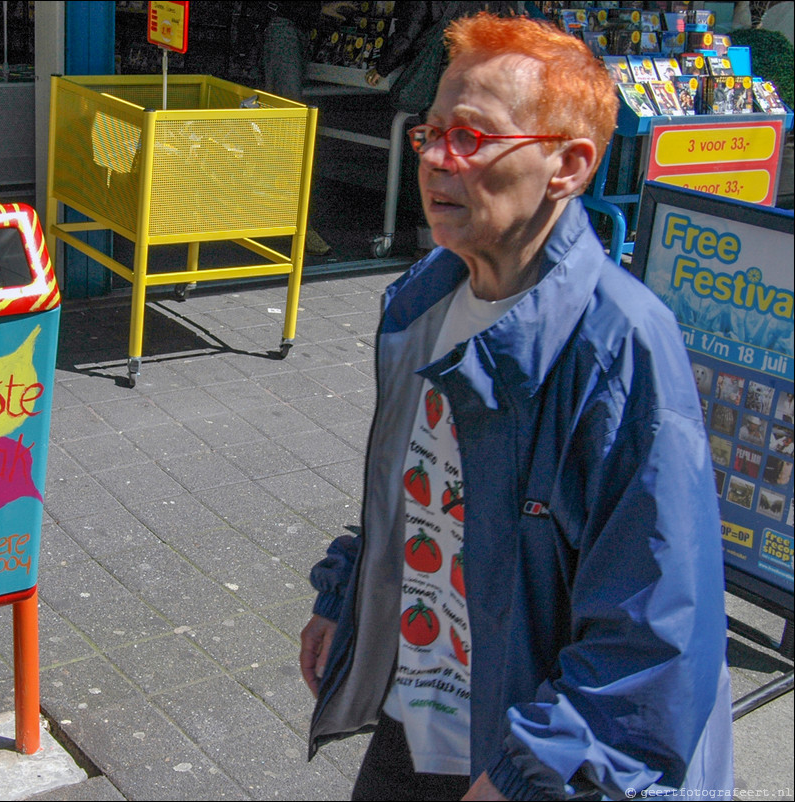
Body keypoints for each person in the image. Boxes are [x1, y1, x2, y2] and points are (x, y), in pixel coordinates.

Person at [300, 13, 734, 801]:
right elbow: (417, 493)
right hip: (422, 704)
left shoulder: (620, 348)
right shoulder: (423, 299)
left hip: (529, 745)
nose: (434, 159)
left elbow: (656, 634)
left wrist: (528, 774)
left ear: (567, 166)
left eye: (470, 138)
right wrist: (347, 595)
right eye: (431, 132)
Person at [260, 1, 353, 256]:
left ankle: (290, 220)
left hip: (291, 29)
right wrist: (319, 10)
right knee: (291, 130)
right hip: (285, 28)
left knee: (288, 129)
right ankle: (296, 224)